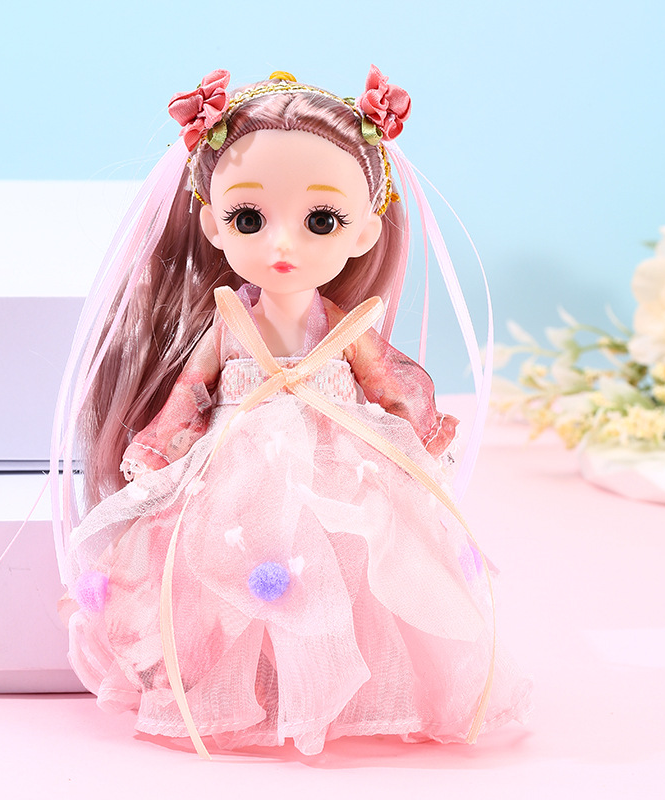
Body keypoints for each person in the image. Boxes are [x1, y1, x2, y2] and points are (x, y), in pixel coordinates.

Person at [52, 67, 531, 758]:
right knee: (231, 569)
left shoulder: (343, 324)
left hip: (340, 457)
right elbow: (190, 392)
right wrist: (162, 447)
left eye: (321, 221)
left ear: (364, 233)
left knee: (356, 566)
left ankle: (346, 695)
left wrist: (419, 435)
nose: (282, 245)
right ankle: (254, 690)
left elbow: (389, 382)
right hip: (237, 464)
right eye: (249, 219)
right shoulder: (228, 323)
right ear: (213, 224)